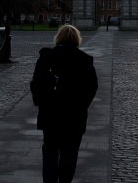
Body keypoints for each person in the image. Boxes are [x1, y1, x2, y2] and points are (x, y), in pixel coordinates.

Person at [30, 24, 98, 183]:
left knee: (50, 156)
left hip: (50, 116)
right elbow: (92, 87)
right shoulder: (84, 60)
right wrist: (82, 106)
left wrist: (41, 102)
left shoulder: (46, 58)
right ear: (77, 39)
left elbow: (36, 85)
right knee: (70, 155)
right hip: (74, 117)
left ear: (58, 37)